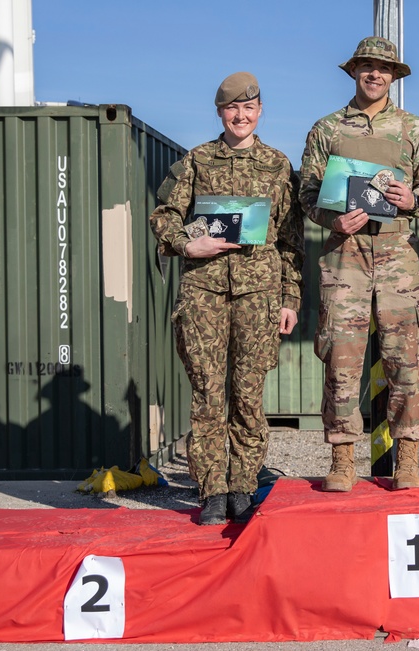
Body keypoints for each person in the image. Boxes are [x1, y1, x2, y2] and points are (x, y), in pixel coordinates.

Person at [150, 72, 304, 524]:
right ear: (221, 112)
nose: (241, 115)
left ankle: (244, 485)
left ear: (260, 111)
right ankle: (212, 490)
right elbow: (164, 216)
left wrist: (289, 298)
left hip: (259, 295)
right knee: (207, 392)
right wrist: (185, 244)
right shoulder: (195, 161)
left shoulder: (278, 166)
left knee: (249, 395)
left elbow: (291, 242)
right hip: (204, 291)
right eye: (233, 108)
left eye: (249, 108)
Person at [299, 37, 419, 492]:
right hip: (346, 253)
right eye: (367, 67)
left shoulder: (414, 128)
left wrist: (415, 198)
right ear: (354, 71)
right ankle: (342, 459)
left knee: (407, 357)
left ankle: (408, 458)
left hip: (398, 252)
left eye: (384, 69)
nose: (375, 75)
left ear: (394, 76)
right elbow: (307, 195)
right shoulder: (327, 129)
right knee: (341, 356)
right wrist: (331, 218)